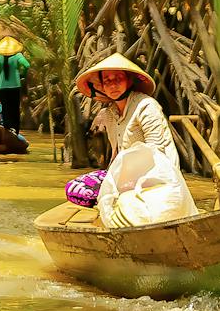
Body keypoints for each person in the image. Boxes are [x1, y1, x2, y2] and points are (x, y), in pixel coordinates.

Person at [74, 53, 197, 229]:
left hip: (158, 183)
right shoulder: (109, 115)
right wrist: (108, 185)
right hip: (127, 182)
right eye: (107, 81)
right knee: (75, 189)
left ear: (130, 81)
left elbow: (158, 155)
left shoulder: (146, 106)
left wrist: (125, 186)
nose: (113, 84)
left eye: (118, 78)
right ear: (101, 86)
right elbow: (116, 157)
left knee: (124, 210)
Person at [0, 38, 31, 133]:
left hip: (2, 87)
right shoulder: (18, 55)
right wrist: (22, 74)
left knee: (5, 108)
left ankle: (7, 129)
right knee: (15, 107)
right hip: (15, 86)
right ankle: (15, 130)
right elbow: (27, 65)